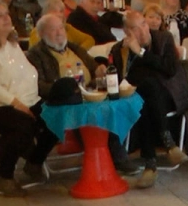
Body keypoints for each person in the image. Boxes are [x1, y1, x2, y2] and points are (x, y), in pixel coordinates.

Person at [0, 2, 59, 196]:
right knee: (23, 124)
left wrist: (33, 101)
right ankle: (4, 175)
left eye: (7, 14)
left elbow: (26, 74)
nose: (7, 18)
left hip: (19, 101)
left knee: (56, 116)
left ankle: (35, 162)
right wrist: (17, 104)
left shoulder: (12, 45)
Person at [26, 14, 139, 175]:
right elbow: (38, 86)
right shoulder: (35, 55)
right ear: (42, 34)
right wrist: (64, 89)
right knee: (85, 111)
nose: (59, 33)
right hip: (59, 101)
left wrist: (99, 70)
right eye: (53, 30)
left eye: (61, 28)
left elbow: (93, 66)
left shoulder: (73, 48)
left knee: (109, 105)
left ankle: (116, 156)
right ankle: (112, 158)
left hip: (88, 94)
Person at [110, 11, 188, 188]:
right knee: (143, 99)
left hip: (169, 94)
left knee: (148, 89)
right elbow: (121, 79)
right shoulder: (120, 50)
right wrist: (128, 55)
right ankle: (168, 143)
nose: (142, 31)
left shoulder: (164, 38)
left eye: (144, 24)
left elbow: (169, 69)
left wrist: (141, 53)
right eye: (135, 28)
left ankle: (150, 165)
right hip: (141, 100)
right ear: (126, 31)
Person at [28, 0, 95, 50]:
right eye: (55, 12)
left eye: (61, 12)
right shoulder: (38, 32)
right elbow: (37, 53)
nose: (61, 15)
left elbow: (89, 39)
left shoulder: (67, 28)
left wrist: (76, 51)